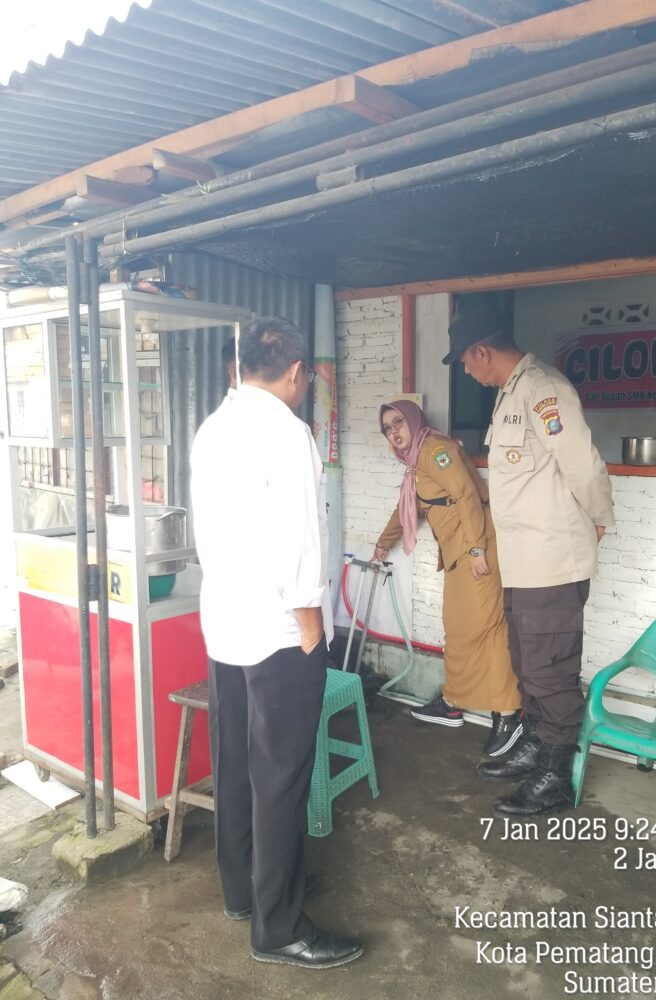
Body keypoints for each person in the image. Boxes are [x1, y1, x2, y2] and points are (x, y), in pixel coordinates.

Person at [191, 316, 363, 969]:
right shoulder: (288, 434)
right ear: (297, 373)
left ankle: (247, 892)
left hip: (225, 624)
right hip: (278, 633)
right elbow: (299, 540)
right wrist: (311, 630)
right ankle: (280, 927)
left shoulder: (214, 428)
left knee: (235, 761)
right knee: (283, 775)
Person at [442, 302, 615, 817]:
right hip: (523, 563)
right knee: (527, 664)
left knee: (550, 671)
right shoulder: (510, 394)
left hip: (551, 561)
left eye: (466, 362)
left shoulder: (544, 389)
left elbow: (583, 464)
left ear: (482, 350)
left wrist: (600, 517)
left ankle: (556, 779)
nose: (467, 371)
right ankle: (538, 748)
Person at [374, 399, 522, 756]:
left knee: (487, 629)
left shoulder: (436, 451)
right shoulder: (414, 462)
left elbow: (466, 494)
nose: (394, 432)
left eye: (398, 422)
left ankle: (509, 713)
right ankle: (453, 701)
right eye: (387, 428)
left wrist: (475, 551)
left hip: (478, 550)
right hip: (459, 553)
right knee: (458, 628)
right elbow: (407, 507)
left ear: (414, 420)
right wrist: (382, 545)